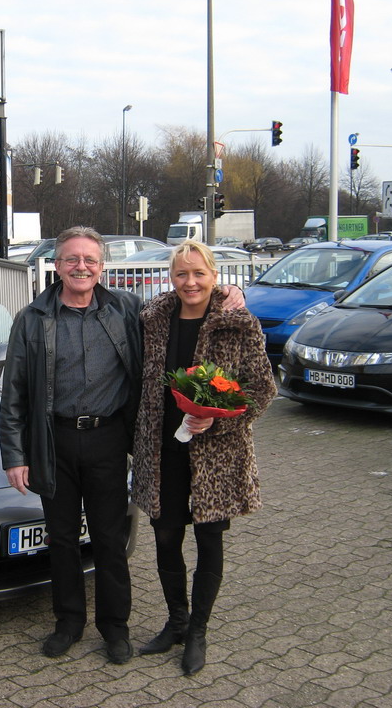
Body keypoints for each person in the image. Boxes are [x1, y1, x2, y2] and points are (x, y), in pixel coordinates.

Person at [0, 227, 247, 665]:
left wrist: (229, 292)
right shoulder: (32, 318)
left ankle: (115, 628)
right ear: (57, 265)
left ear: (101, 267)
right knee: (62, 539)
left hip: (109, 439)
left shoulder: (127, 309)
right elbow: (14, 391)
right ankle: (68, 623)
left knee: (110, 539)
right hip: (53, 441)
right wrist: (15, 456)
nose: (81, 267)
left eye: (90, 260)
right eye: (72, 259)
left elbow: (185, 298)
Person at [131, 239, 275, 676]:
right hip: (163, 449)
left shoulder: (238, 323)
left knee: (209, 539)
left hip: (216, 455)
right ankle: (176, 621)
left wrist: (219, 419)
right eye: (181, 274)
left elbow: (263, 388)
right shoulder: (153, 319)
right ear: (171, 278)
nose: (190, 282)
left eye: (199, 273)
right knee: (165, 537)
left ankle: (198, 631)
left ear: (215, 276)